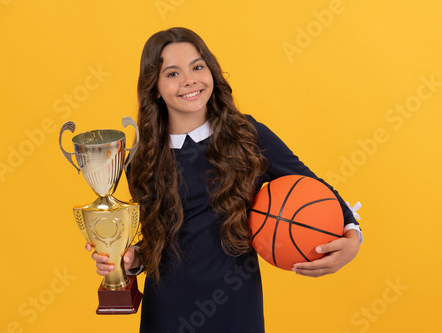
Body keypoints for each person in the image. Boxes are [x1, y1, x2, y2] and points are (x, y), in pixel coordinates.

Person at [85, 27, 361, 332]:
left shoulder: (247, 135)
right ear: (155, 88)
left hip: (238, 309)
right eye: (173, 73)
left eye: (198, 66)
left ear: (211, 72)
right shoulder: (140, 157)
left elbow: (317, 190)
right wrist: (128, 260)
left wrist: (352, 238)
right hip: (166, 312)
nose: (190, 79)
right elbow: (157, 242)